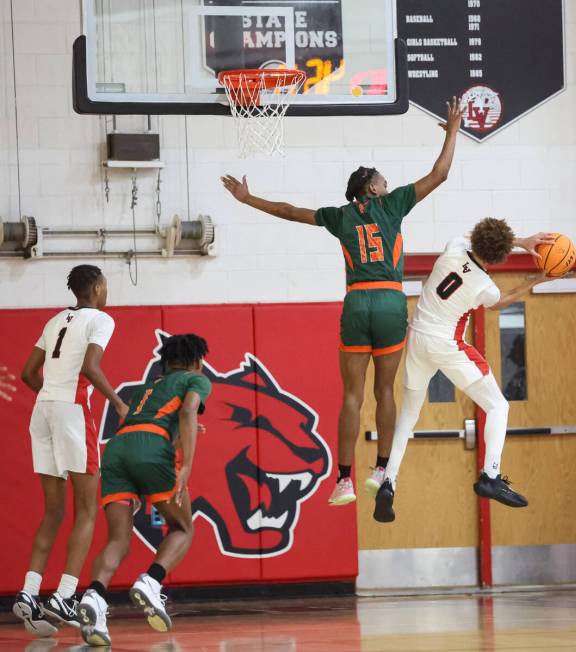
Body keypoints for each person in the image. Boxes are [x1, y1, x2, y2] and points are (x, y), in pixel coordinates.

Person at [221, 97, 464, 506]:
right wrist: (453, 128)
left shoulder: (339, 216)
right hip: (389, 301)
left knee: (352, 395)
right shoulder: (393, 205)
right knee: (384, 391)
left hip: (356, 303)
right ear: (372, 188)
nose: (388, 184)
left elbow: (288, 210)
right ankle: (383, 470)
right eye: (384, 180)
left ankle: (344, 480)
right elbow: (440, 173)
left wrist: (248, 199)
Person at [373, 219, 555, 523]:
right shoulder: (484, 286)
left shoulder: (454, 246)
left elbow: (479, 241)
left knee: (408, 415)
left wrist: (521, 241)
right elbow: (501, 302)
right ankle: (491, 476)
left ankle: (389, 482)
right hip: (446, 343)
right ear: (500, 256)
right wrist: (534, 280)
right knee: (498, 405)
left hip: (416, 338)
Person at [14, 265, 128, 637]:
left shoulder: (54, 320)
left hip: (43, 409)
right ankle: (64, 596)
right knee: (86, 511)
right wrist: (119, 403)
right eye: (106, 286)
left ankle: (29, 593)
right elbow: (92, 368)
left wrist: (51, 400)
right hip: (73, 412)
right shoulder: (102, 319)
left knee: (53, 511)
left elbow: (28, 373)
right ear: (97, 288)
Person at [78, 333, 212, 647]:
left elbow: (162, 418)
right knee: (183, 527)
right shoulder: (195, 380)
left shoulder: (146, 388)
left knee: (118, 539)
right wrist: (188, 464)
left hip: (115, 450)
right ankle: (151, 581)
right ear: (197, 361)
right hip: (150, 449)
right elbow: (188, 410)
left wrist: (181, 429)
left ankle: (94, 597)